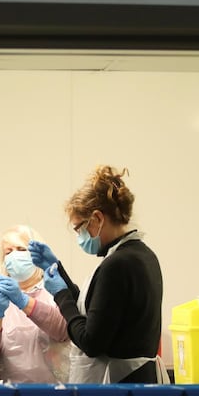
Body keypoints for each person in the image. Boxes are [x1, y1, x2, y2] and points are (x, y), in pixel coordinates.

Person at [28, 165, 169, 384]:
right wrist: (57, 270)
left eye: (79, 228)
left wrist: (61, 296)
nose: (79, 237)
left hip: (119, 386)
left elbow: (90, 341)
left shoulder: (117, 265)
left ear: (97, 219)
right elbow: (98, 311)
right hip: (139, 380)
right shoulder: (142, 255)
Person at [0, 225, 72, 384]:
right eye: (8, 252)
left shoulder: (56, 290)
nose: (14, 256)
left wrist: (23, 301)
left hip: (54, 392)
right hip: (7, 394)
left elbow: (64, 330)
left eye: (21, 249)